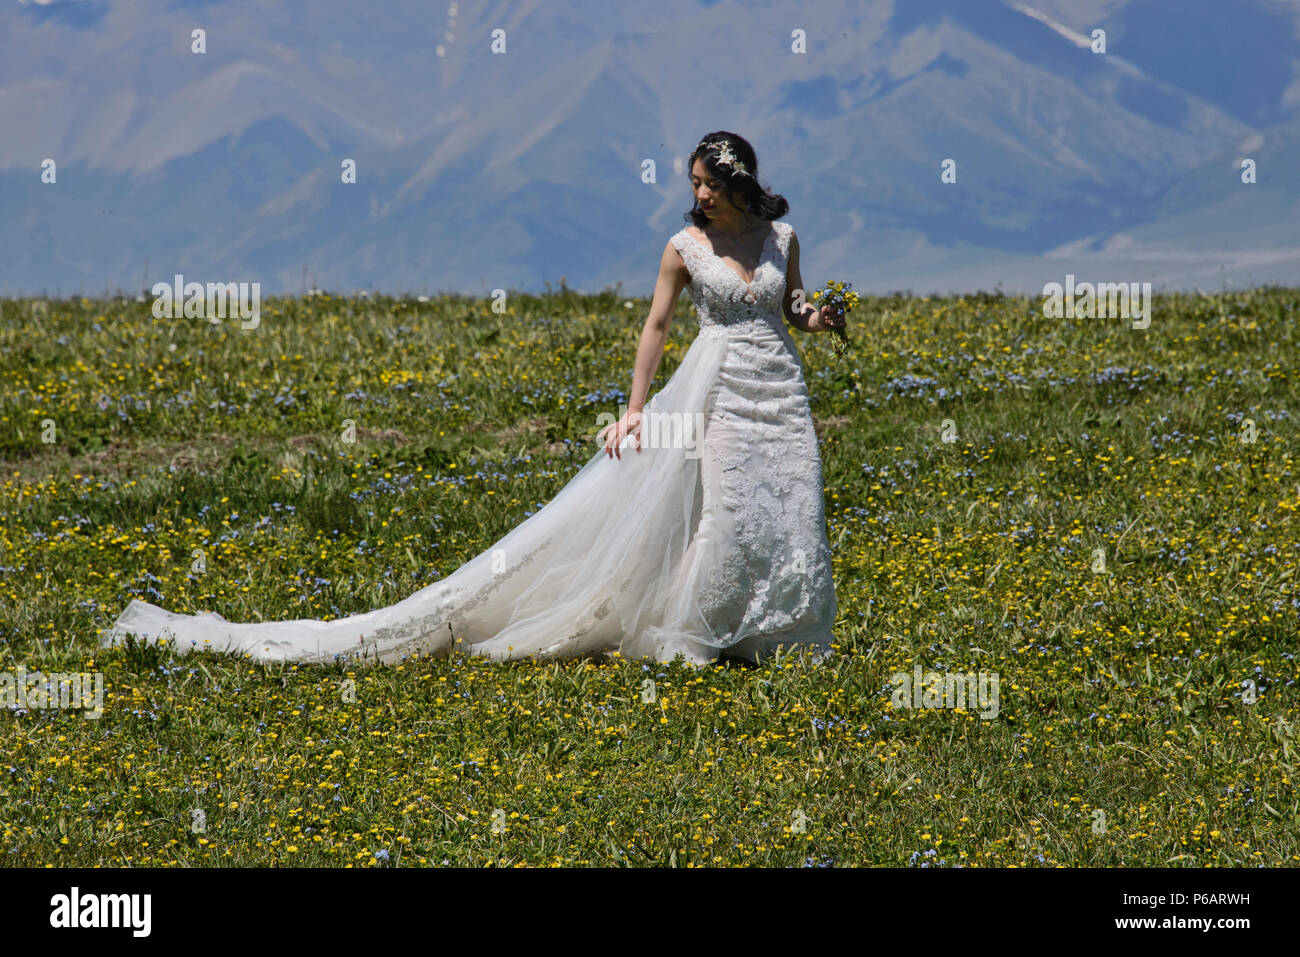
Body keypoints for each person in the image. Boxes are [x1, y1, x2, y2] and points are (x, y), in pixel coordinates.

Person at [101, 130, 847, 668]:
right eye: (693, 184)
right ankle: (699, 632)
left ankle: (775, 630)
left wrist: (823, 318)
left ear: (738, 182)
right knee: (721, 507)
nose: (698, 196)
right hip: (712, 387)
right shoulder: (683, 249)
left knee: (784, 499)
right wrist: (634, 407)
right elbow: (655, 327)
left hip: (777, 384)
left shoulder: (782, 237)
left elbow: (794, 309)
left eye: (708, 185)